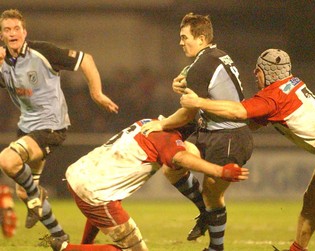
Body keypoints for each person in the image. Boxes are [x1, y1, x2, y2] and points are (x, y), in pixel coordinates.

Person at [180, 48, 315, 251]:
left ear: (263, 72)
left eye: (257, 72)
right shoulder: (291, 84)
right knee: (312, 201)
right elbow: (253, 121)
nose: (255, 76)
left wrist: (199, 102)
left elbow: (239, 113)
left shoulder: (273, 98)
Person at [0, 8, 119, 243]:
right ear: (2, 35)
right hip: (26, 128)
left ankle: (37, 196)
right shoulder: (4, 63)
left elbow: (87, 60)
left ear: (24, 32)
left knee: (6, 161)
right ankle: (59, 236)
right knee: (24, 191)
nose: (12, 33)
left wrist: (96, 93)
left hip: (51, 127)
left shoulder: (43, 52)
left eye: (16, 28)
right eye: (7, 29)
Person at [141, 12, 253, 251]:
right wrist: (184, 79)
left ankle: (215, 248)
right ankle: (205, 212)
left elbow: (187, 113)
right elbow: (200, 81)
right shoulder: (216, 56)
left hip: (230, 136)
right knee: (172, 168)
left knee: (213, 195)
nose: (181, 43)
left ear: (201, 38)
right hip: (210, 131)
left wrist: (161, 124)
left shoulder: (201, 65)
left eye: (184, 37)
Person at [49, 118, 249, 251]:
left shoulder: (150, 122)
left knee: (104, 207)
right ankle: (66, 248)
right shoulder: (169, 138)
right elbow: (180, 158)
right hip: (93, 191)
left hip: (79, 173)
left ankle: (85, 245)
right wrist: (219, 170)